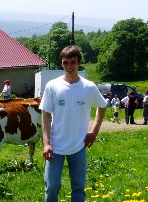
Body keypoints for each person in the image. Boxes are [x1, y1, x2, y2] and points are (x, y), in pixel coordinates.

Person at [39, 45, 107, 202]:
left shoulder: (88, 87)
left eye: (73, 62)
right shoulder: (52, 86)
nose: (69, 67)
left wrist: (94, 132)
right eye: (65, 62)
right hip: (55, 147)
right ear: (61, 63)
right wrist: (46, 143)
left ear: (79, 62)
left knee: (78, 189)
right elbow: (46, 115)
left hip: (78, 146)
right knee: (52, 187)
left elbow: (102, 106)